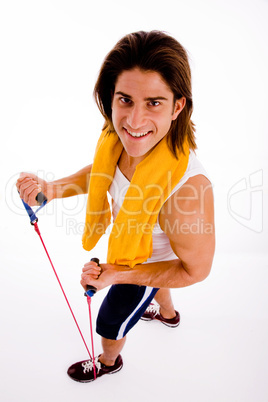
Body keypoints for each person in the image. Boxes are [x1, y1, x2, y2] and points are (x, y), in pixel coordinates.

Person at [16, 30, 215, 382]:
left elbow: (193, 270)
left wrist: (118, 274)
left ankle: (109, 361)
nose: (134, 123)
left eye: (154, 102)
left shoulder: (187, 195)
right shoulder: (118, 138)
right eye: (125, 100)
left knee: (109, 320)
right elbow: (104, 173)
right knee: (159, 282)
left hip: (140, 262)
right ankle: (168, 315)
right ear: (112, 97)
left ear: (178, 105)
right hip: (139, 239)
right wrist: (51, 189)